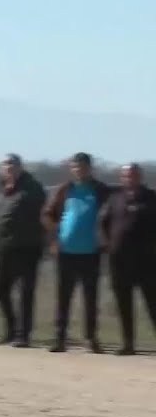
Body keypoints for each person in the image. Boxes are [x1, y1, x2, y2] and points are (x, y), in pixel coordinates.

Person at [42, 152, 110, 353]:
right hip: (66, 251)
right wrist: (54, 237)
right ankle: (60, 338)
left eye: (81, 166)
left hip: (91, 251)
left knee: (90, 297)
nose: (78, 170)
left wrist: (105, 239)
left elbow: (110, 216)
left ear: (89, 168)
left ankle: (91, 338)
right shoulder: (64, 190)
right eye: (74, 167)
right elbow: (47, 214)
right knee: (63, 296)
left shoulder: (100, 190)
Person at [0, 154, 47, 348]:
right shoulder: (2, 192)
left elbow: (41, 212)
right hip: (5, 248)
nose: (9, 168)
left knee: (25, 292)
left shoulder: (32, 188)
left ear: (20, 167)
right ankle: (11, 329)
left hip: (27, 247)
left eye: (12, 164)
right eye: (5, 164)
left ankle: (23, 335)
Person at [100, 163, 156, 355]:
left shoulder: (151, 198)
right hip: (120, 260)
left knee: (152, 303)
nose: (129, 178)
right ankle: (128, 343)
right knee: (124, 303)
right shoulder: (115, 198)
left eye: (133, 174)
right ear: (122, 178)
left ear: (140, 176)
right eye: (126, 175)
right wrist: (106, 244)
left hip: (147, 261)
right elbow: (102, 222)